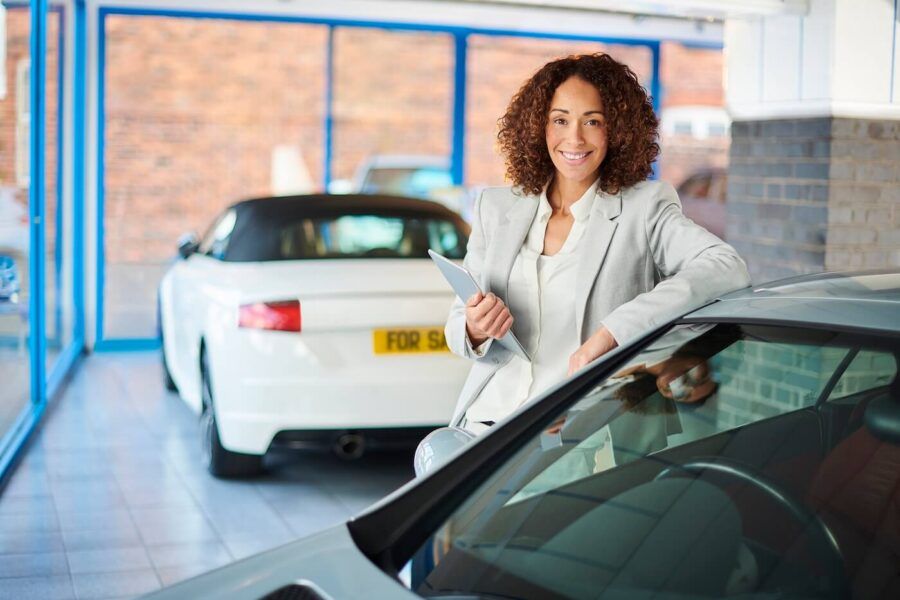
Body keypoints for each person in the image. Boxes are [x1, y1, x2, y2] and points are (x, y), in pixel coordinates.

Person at [444, 53, 751, 433]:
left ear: (618, 131)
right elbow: (458, 329)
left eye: (592, 121)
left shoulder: (644, 207)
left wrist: (612, 333)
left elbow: (725, 265)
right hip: (486, 426)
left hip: (584, 435)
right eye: (560, 120)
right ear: (539, 127)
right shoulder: (497, 207)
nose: (574, 138)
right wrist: (475, 328)